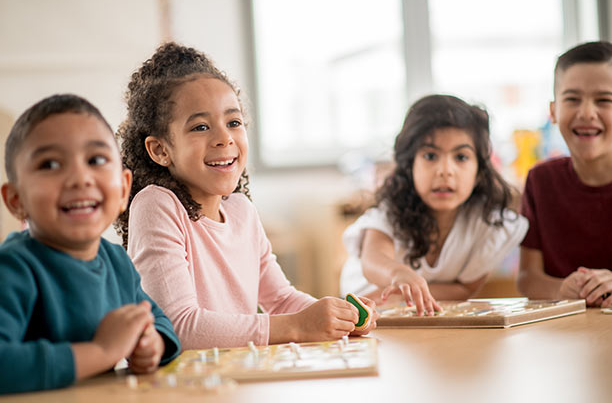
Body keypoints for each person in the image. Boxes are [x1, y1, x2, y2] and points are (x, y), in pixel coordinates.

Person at [115, 42, 377, 350]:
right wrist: (297, 325)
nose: (224, 138)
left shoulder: (241, 210)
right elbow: (179, 326)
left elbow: (281, 299)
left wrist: (338, 320)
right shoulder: (156, 205)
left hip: (236, 381)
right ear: (160, 150)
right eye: (200, 126)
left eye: (234, 122)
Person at [0, 94, 180, 395]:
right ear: (17, 201)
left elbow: (156, 317)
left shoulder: (116, 262)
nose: (79, 178)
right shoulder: (14, 267)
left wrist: (153, 342)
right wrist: (102, 351)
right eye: (50, 164)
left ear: (123, 189)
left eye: (95, 160)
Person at [340, 94, 529, 316]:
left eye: (461, 157)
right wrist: (398, 274)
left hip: (426, 314)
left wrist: (405, 294)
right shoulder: (390, 213)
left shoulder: (490, 225)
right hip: (366, 311)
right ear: (410, 166)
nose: (445, 170)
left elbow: (465, 289)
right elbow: (372, 262)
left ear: (479, 171)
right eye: (430, 156)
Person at [518, 41, 612, 307]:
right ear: (553, 111)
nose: (586, 113)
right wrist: (562, 288)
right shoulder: (540, 181)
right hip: (560, 335)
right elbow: (527, 278)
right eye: (572, 99)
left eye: (604, 100)